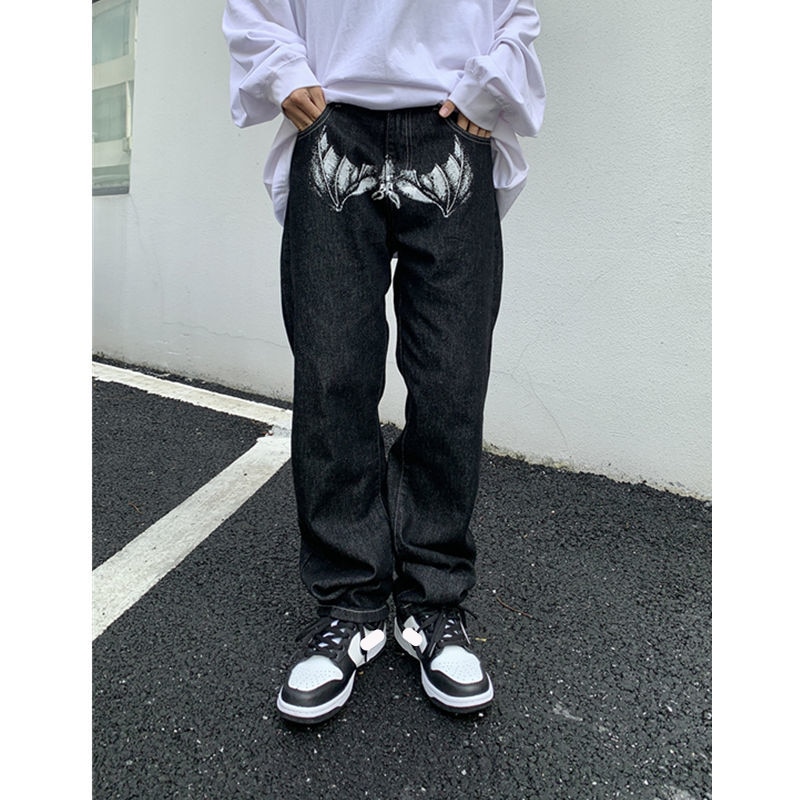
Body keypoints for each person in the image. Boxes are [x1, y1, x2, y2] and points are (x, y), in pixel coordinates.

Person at [223, 0, 546, 725]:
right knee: (332, 378)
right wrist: (282, 72)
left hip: (453, 120)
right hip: (334, 118)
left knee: (451, 381)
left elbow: (517, 11)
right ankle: (350, 605)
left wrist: (490, 85)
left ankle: (434, 602)